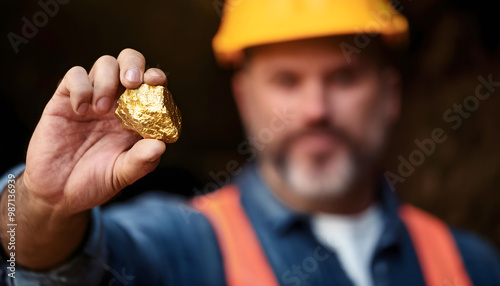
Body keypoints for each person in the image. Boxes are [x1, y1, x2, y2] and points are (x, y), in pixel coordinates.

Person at [1, 1, 499, 285]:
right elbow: (50, 267)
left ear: (391, 96)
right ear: (243, 96)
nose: (315, 109)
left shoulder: (470, 264)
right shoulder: (185, 244)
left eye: (344, 78)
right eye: (287, 80)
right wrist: (43, 207)